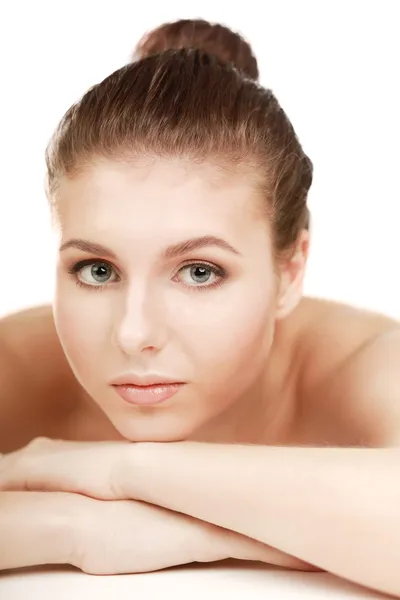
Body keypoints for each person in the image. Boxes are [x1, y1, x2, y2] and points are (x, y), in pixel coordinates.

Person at [0, 18, 400, 597]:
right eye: (97, 270)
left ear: (290, 271)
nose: (134, 334)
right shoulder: (17, 366)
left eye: (198, 272)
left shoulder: (366, 365)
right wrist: (78, 527)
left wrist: (121, 474)